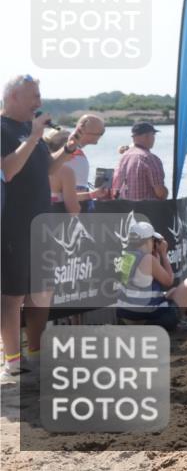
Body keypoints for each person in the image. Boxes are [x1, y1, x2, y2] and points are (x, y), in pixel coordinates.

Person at [1, 75, 76, 381]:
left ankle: (36, 354)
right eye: (34, 96)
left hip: (41, 223)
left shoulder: (28, 130)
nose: (39, 102)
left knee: (41, 292)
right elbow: (8, 171)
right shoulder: (4, 129)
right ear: (14, 97)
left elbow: (45, 169)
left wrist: (68, 149)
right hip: (13, 224)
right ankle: (12, 360)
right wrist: (33, 136)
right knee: (12, 295)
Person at [116, 221, 187, 331]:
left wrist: (156, 257)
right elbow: (168, 281)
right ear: (148, 240)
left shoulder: (126, 256)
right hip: (150, 321)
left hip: (127, 318)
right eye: (153, 240)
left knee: (173, 292)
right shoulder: (148, 259)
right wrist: (163, 254)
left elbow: (141, 282)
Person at [111, 123, 167, 201]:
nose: (154, 138)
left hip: (126, 206)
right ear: (147, 136)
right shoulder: (149, 158)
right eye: (153, 134)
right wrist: (166, 193)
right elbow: (160, 192)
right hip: (147, 207)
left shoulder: (124, 156)